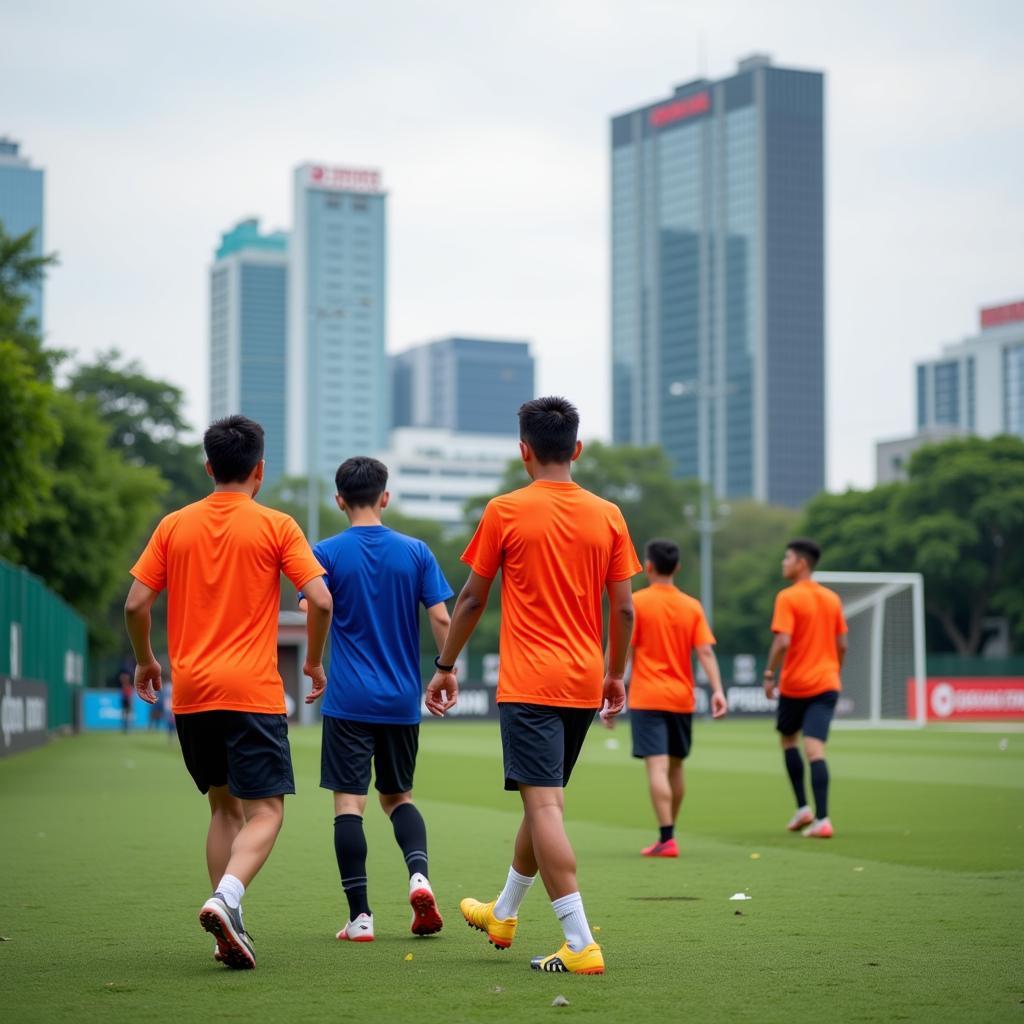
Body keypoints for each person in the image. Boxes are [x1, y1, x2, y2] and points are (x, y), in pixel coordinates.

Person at [425, 396, 640, 976]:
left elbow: (471, 597)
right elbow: (623, 611)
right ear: (577, 448)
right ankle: (504, 912)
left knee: (543, 804)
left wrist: (446, 665)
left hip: (529, 682)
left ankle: (579, 940)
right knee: (541, 799)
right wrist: (615, 672)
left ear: (524, 452)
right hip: (582, 682)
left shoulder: (505, 510)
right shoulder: (609, 514)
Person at [123, 415, 332, 969]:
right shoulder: (278, 526)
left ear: (209, 467)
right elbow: (322, 599)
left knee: (223, 810)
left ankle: (227, 927)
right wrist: (312, 663)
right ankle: (227, 899)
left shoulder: (174, 525)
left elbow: (135, 604)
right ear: (259, 470)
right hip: (252, 692)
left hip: (192, 693)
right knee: (266, 810)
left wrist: (146, 661)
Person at [300, 456, 453, 944]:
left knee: (350, 803)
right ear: (385, 497)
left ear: (339, 500)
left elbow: (312, 605)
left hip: (347, 700)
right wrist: (443, 673)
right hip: (401, 701)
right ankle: (419, 878)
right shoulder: (416, 552)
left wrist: (314, 661)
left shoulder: (324, 552)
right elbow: (444, 620)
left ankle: (361, 918)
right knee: (398, 797)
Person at [617, 538, 727, 858]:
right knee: (676, 768)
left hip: (648, 697)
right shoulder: (692, 606)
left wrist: (611, 691)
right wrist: (718, 690)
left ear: (648, 566)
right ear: (677, 567)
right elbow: (705, 650)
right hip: (681, 698)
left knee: (657, 768)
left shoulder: (637, 603)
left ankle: (666, 836)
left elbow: (623, 653)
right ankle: (669, 833)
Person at [763, 538, 848, 839]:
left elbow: (783, 641)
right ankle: (813, 815)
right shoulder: (832, 599)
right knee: (815, 749)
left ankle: (811, 812)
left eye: (787, 558)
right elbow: (842, 645)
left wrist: (769, 672)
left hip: (796, 684)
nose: (783, 563)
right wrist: (833, 670)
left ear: (801, 563)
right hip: (826, 683)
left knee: (790, 742)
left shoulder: (788, 597)